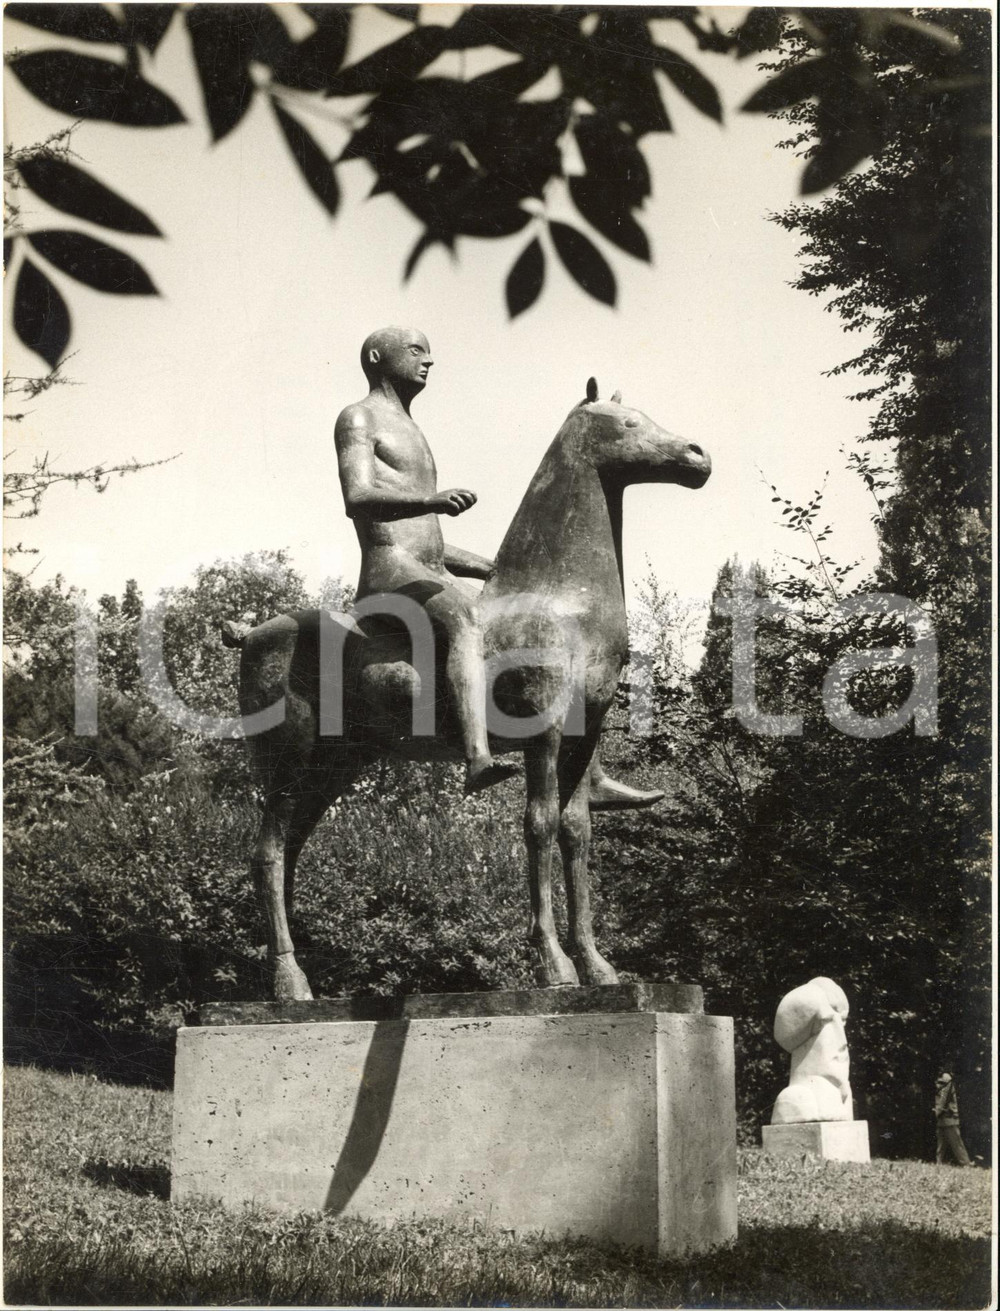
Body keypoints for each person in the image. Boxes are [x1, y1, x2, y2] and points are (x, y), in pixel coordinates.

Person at [335, 326, 664, 806]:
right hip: (390, 574)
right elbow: (358, 497)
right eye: (416, 351)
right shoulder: (358, 418)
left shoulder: (410, 426)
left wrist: (491, 567)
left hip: (428, 571)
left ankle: (591, 775)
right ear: (376, 356)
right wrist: (431, 499)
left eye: (429, 351)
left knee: (536, 632)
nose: (428, 360)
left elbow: (429, 541)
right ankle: (476, 757)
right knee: (466, 617)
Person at [934, 1072, 973, 1166]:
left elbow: (942, 1105)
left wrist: (936, 1113)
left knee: (956, 1144)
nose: (937, 1084)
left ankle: (966, 1164)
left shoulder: (946, 1090)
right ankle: (939, 1163)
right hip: (943, 1120)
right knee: (941, 1144)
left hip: (949, 1120)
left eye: (941, 1082)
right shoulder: (944, 1090)